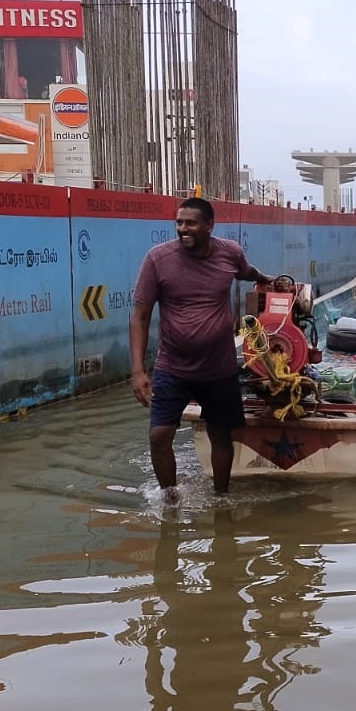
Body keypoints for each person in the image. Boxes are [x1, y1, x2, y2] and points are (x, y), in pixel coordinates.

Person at [130, 196, 274, 495]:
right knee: (159, 435)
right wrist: (137, 371)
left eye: (191, 223)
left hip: (219, 368)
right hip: (173, 366)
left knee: (221, 435)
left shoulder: (229, 253)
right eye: (179, 223)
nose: (184, 229)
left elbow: (245, 272)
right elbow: (140, 317)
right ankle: (170, 499)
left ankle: (221, 497)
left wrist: (267, 280)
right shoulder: (157, 259)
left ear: (209, 226)